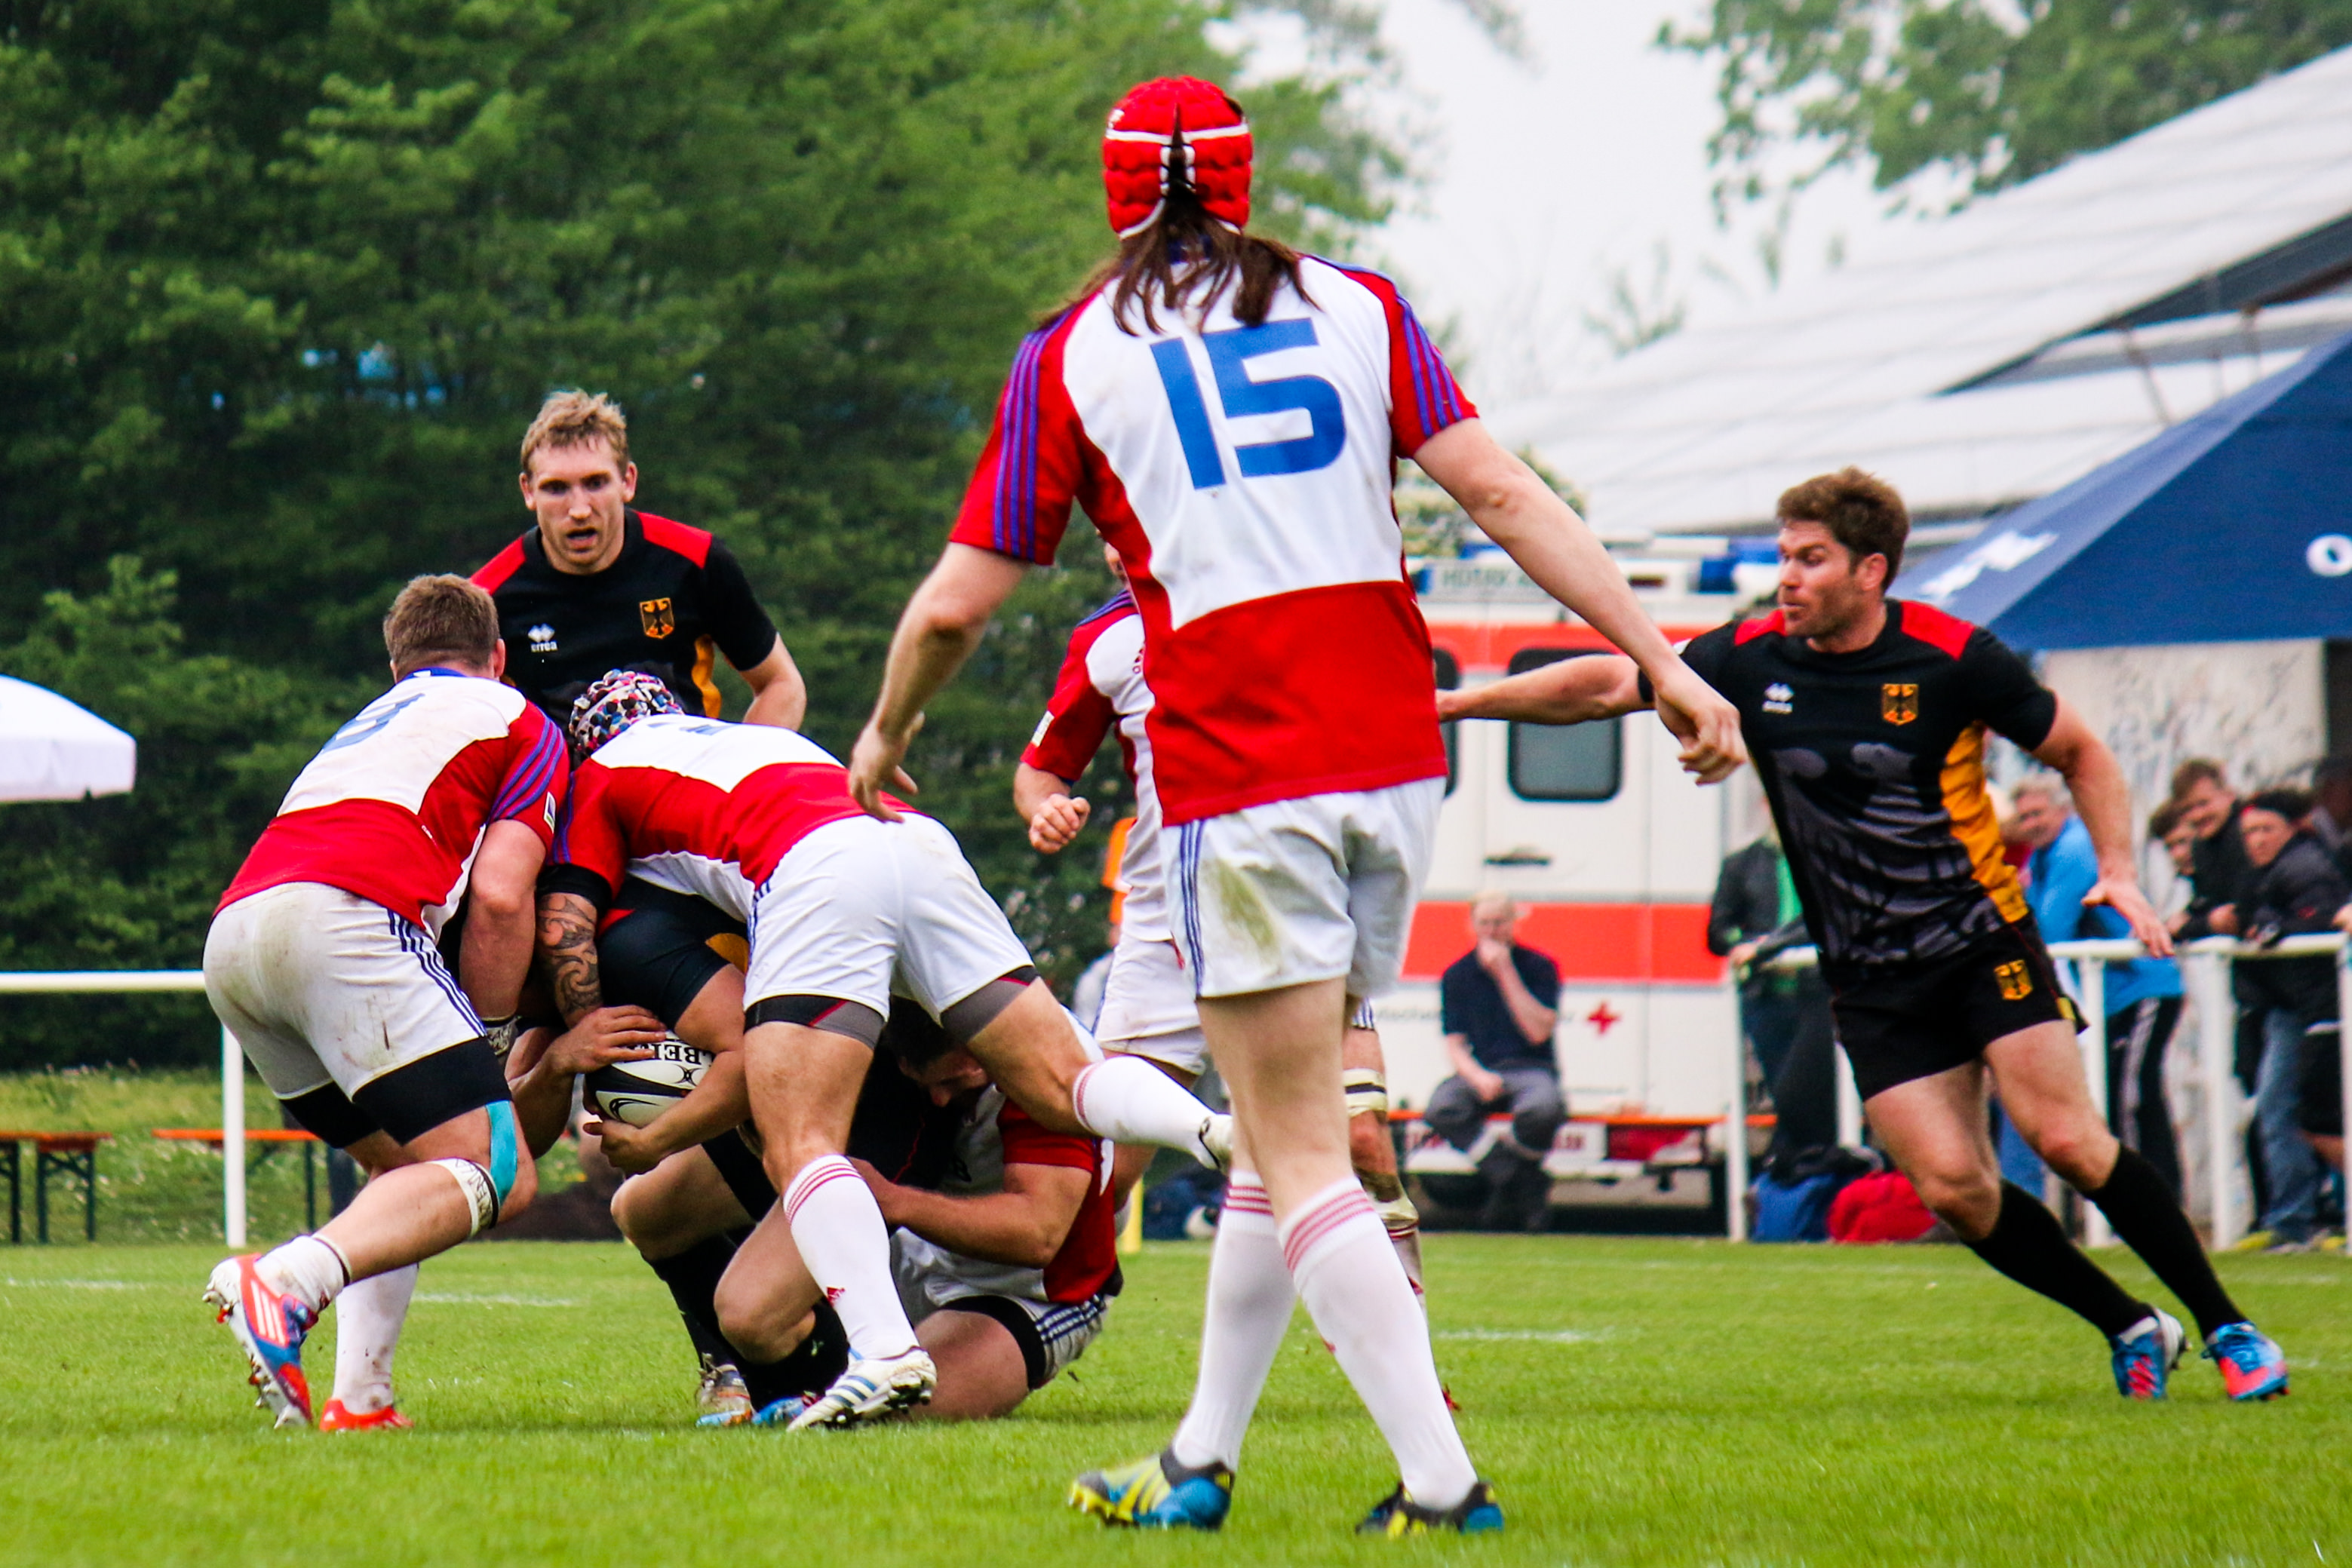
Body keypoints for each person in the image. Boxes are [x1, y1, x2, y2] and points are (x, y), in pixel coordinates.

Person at [843, 75, 1743, 1536]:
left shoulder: (1070, 352)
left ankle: (1441, 1483)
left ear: (1113, 196)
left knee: (1299, 1144)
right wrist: (1663, 658)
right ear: (1243, 184)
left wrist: (885, 730)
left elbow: (953, 605)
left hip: (1244, 776)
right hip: (1392, 767)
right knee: (1283, 1128)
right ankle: (1199, 1455)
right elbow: (1507, 497)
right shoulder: (1360, 305)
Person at [1439, 465, 2289, 1404]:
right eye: (1783, 557)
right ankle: (2129, 1324)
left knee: (2065, 1140)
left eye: (1810, 559)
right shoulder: (1751, 655)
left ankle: (2229, 1328)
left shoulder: (1953, 656)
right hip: (1870, 977)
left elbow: (2080, 753)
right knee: (1954, 1188)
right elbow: (1606, 685)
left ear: (1870, 570)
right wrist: (1451, 705)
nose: (1788, 577)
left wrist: (2119, 871)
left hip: (1981, 942)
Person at [541, 672, 1224, 1431]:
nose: (946, 1090)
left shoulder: (598, 779)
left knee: (799, 1144)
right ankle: (1208, 1129)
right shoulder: (761, 747)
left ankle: (880, 1353)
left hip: (819, 871)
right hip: (910, 836)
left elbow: (563, 922)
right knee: (1067, 1080)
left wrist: (585, 1042)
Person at [199, 575, 567, 1428]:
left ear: (395, 664)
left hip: (236, 939)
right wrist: (492, 1041)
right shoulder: (518, 717)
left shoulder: (368, 721)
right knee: (500, 1168)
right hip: (350, 921)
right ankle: (286, 1281)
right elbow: (503, 895)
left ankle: (361, 1397)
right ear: (498, 657)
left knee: (407, 1164)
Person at [1016, 552, 1429, 1293]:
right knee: (1095, 1177)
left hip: (1292, 912)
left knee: (1362, 1139)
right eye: (1107, 530)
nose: (1115, 548)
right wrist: (1045, 806)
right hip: (1162, 927)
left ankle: (1406, 1345)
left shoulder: (1278, 590)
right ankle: (1009, 1317)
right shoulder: (1107, 639)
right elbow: (1041, 768)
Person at [712, 1016, 1121, 1423]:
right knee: (727, 1287)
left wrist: (894, 1201)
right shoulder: (881, 1016)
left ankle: (812, 1394)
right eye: (926, 1083)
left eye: (954, 1081)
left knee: (892, 1409)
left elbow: (1037, 1235)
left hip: (1026, 1291)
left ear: (983, 1048)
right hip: (915, 1253)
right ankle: (755, 1373)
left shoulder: (1045, 1062)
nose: (939, 1100)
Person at [472, 390, 806, 727]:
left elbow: (781, 685)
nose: (579, 510)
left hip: (685, 759)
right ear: (528, 491)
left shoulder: (695, 560)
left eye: (595, 483)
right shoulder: (486, 599)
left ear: (628, 481)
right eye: (556, 488)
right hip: (561, 765)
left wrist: (737, 761)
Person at [2013, 775, 2188, 1201]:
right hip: (2116, 995)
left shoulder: (2073, 848)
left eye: (2038, 813)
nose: (2032, 823)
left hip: (2144, 984)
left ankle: (2149, 1199)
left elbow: (2050, 928)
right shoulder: (2045, 855)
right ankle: (2153, 1198)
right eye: (2024, 817)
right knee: (2126, 1091)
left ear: (2063, 810)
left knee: (2130, 1094)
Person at [2231, 788, 2341, 1250]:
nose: (2257, 840)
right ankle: (2295, 1221)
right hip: (2292, 1007)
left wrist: (2280, 928)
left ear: (2293, 828)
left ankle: (2306, 1220)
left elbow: (2323, 918)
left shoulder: (2306, 867)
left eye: (2266, 829)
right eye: (2249, 832)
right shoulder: (2267, 873)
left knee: (2317, 1117)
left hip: (2323, 1010)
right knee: (2288, 1110)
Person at [1425, 894, 1564, 1232]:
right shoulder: (1457, 975)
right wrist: (1477, 1076)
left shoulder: (1539, 967)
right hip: (1481, 1070)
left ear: (1514, 923)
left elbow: (1538, 1032)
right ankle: (1519, 1179)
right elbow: (1455, 1043)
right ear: (1472, 925)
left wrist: (1505, 972)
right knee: (1442, 1107)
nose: (1491, 931)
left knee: (1543, 1108)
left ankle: (1509, 1184)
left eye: (1499, 922)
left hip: (1531, 1068)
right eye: (1484, 923)